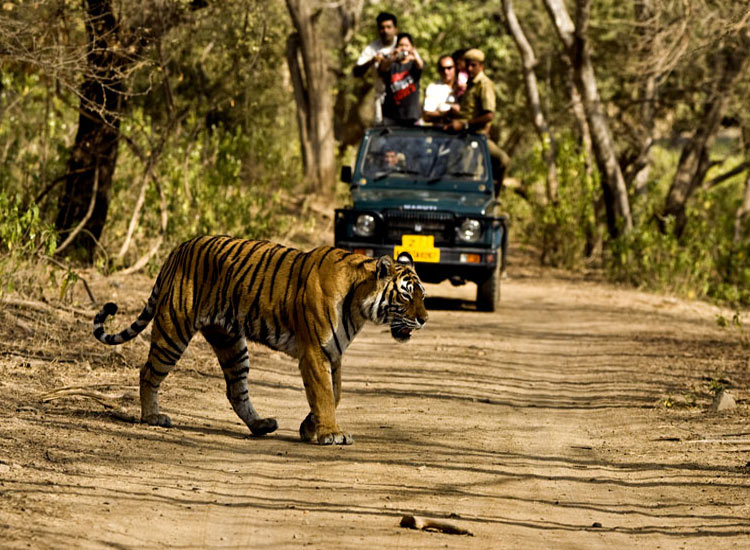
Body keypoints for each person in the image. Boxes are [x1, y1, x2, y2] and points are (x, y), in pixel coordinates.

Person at [444, 48, 510, 193]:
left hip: (476, 136)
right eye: (467, 65)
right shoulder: (470, 84)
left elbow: (489, 115)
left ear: (481, 66)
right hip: (464, 136)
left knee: (502, 161)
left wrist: (464, 124)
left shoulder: (484, 84)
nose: (469, 68)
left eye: (473, 65)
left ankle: (494, 196)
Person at [353, 12, 399, 125]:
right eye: (382, 28)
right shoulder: (372, 48)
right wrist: (372, 60)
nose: (385, 31)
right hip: (382, 98)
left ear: (395, 29)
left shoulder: (402, 44)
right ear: (378, 30)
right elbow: (356, 72)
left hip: (402, 97)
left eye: (389, 27)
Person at [379, 32, 424, 127]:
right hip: (391, 116)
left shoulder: (414, 65)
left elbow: (420, 65)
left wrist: (414, 54)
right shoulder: (391, 65)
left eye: (407, 45)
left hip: (411, 115)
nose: (403, 48)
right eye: (401, 45)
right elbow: (382, 68)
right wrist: (393, 56)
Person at [422, 55, 459, 125]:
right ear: (438, 70)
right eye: (443, 69)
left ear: (455, 68)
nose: (446, 72)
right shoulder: (433, 88)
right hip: (440, 132)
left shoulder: (463, 86)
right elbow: (427, 115)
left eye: (449, 68)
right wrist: (447, 113)